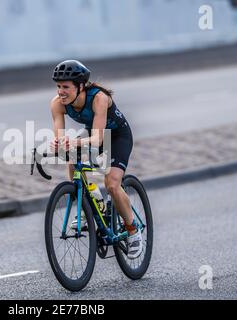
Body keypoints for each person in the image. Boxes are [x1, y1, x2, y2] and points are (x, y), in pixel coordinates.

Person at [50, 60, 143, 259]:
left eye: (65, 87)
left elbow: (99, 139)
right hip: (94, 133)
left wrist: (72, 143)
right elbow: (59, 135)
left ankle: (133, 231)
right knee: (71, 159)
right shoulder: (57, 104)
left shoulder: (99, 98)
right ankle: (88, 202)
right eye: (58, 86)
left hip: (117, 136)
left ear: (81, 86)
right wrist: (58, 144)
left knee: (112, 184)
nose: (61, 92)